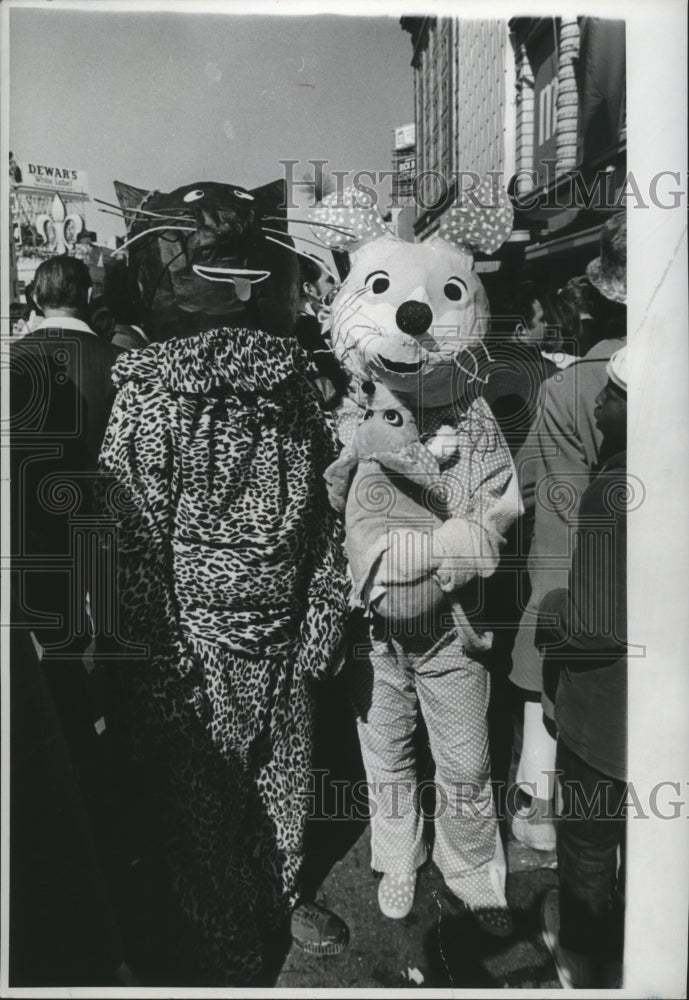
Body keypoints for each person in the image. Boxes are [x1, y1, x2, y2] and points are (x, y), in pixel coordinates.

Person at [97, 178, 350, 985]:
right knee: (205, 806)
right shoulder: (152, 402)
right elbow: (135, 550)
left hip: (275, 638)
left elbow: (318, 517)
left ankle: (270, 904)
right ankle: (224, 948)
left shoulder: (289, 391)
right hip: (198, 647)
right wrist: (161, 671)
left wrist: (315, 622)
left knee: (276, 790)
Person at [9, 255, 128, 983]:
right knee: (109, 647)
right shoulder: (118, 364)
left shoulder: (15, 360)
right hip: (107, 530)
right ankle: (112, 747)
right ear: (85, 295)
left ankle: (79, 746)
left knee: (53, 661)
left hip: (34, 543)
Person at [509, 213, 627, 852]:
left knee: (554, 713)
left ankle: (539, 809)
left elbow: (548, 504)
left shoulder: (572, 387)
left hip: (580, 592)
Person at [538, 346, 628, 989]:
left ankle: (585, 958)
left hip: (604, 716)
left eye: (614, 394)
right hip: (659, 717)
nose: (599, 401)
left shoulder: (611, 492)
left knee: (589, 841)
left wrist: (550, 611)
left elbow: (592, 626)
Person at [293, 254, 348, 405]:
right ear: (309, 289)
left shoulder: (300, 326)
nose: (335, 285)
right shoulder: (307, 328)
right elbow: (328, 391)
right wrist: (337, 398)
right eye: (329, 280)